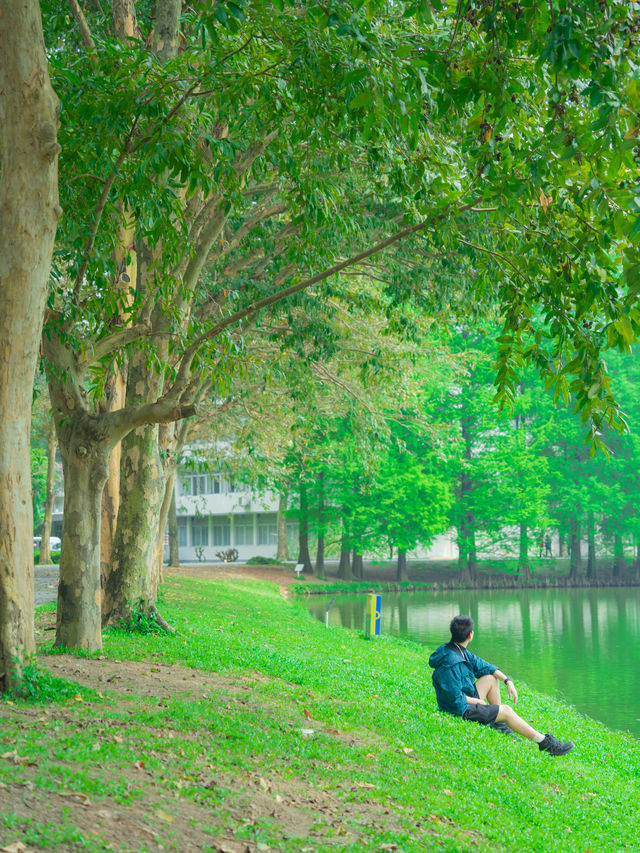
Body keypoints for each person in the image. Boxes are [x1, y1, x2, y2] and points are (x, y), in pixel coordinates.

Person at [429, 614, 574, 756]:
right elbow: (454, 698)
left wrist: (507, 681)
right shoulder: (451, 662)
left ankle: (499, 725)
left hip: (465, 699)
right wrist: (478, 701)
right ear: (470, 635)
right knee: (506, 710)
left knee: (491, 678)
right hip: (460, 710)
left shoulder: (458, 650)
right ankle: (545, 743)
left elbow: (485, 666)